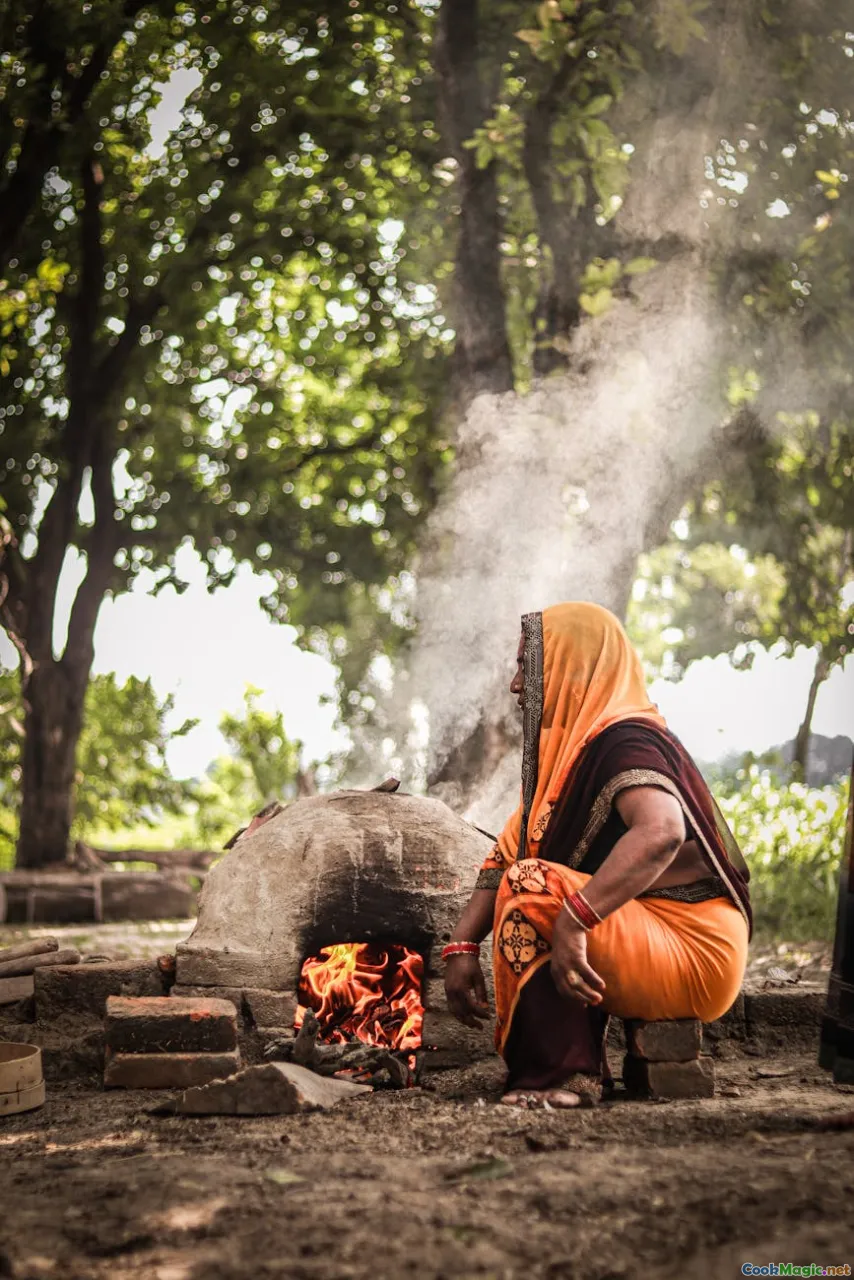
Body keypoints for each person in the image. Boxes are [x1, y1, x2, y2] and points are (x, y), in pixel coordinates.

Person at [443, 602, 751, 1108]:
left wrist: (575, 919)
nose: (517, 685)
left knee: (533, 886)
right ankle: (562, 1067)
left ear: (572, 666)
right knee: (525, 877)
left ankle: (561, 1078)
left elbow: (662, 832)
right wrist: (460, 947)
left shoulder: (625, 739)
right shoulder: (569, 757)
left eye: (527, 665)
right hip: (642, 929)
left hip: (692, 943)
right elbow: (504, 856)